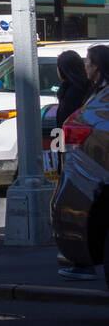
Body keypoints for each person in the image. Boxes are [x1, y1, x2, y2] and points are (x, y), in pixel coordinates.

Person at [58, 49, 102, 279]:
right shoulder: (90, 90)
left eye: (89, 62)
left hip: (86, 158)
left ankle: (82, 259)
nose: (86, 66)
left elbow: (70, 121)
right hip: (84, 156)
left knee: (81, 208)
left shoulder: (80, 92)